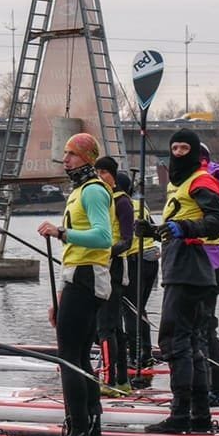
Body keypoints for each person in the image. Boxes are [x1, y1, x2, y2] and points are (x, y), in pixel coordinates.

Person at [135, 128, 219, 434]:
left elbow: (216, 222)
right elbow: (177, 222)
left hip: (190, 266)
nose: (177, 153)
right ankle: (200, 417)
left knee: (175, 342)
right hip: (182, 265)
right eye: (174, 148)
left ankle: (179, 416)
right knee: (191, 343)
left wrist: (183, 229)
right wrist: (152, 230)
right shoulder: (181, 183)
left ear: (195, 150)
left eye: (184, 148)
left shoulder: (201, 180)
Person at [38, 132, 114, 436]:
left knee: (69, 357)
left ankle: (79, 432)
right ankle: (91, 433)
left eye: (70, 155)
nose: (65, 160)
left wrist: (61, 232)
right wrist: (60, 298)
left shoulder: (94, 190)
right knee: (80, 357)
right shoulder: (81, 191)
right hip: (78, 277)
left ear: (87, 158)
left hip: (87, 277)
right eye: (65, 155)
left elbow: (103, 237)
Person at [93, 156, 134, 396]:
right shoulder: (101, 199)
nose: (100, 177)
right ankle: (121, 380)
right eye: (97, 172)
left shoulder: (122, 202)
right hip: (99, 267)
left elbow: (127, 241)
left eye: (104, 173)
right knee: (114, 328)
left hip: (114, 268)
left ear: (113, 175)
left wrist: (104, 250)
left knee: (106, 328)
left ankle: (108, 381)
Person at [116, 171, 160, 387]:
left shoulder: (118, 204)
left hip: (136, 259)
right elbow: (152, 229)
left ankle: (135, 355)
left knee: (130, 309)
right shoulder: (138, 204)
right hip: (152, 259)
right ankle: (147, 352)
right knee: (139, 308)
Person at [199, 142, 219, 407]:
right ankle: (208, 387)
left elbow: (212, 224)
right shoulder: (206, 179)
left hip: (206, 263)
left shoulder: (206, 181)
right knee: (201, 328)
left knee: (205, 329)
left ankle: (217, 391)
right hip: (204, 261)